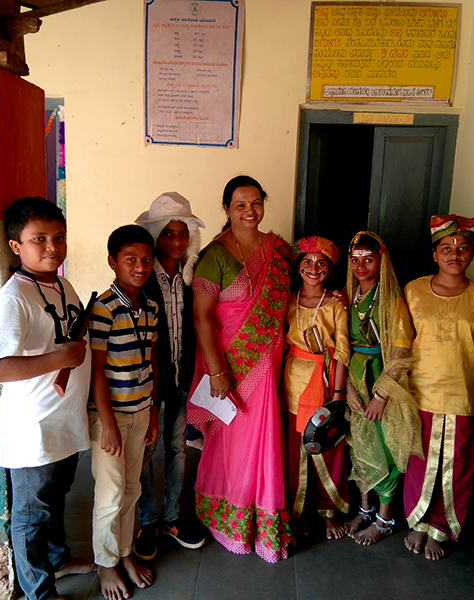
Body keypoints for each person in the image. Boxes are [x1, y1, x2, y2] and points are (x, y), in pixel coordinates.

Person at [0, 197, 96, 600]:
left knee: (56, 498)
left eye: (58, 237)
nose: (52, 247)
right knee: (31, 514)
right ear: (16, 246)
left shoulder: (62, 285)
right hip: (32, 425)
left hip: (64, 419)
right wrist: (59, 359)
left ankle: (58, 561)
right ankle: (38, 592)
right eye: (39, 239)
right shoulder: (14, 298)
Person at [188, 175, 294, 563]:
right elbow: (201, 317)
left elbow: (299, 292)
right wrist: (218, 372)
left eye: (256, 203)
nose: (250, 211)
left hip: (269, 365)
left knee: (265, 438)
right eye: (240, 205)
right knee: (231, 441)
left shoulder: (278, 250)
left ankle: (263, 519)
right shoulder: (214, 255)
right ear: (227, 209)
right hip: (231, 368)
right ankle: (229, 516)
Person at [402, 214, 474, 560]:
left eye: (463, 248)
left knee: (458, 466)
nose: (454, 254)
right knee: (419, 461)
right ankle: (418, 522)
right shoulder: (413, 291)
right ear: (434, 254)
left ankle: (441, 528)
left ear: (472, 254)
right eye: (446, 248)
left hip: (464, 397)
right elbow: (401, 344)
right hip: (421, 395)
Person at [88, 225, 160, 600]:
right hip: (110, 417)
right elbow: (96, 371)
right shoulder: (104, 309)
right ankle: (105, 564)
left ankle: (125, 552)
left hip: (141, 411)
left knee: (132, 488)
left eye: (146, 260)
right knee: (111, 493)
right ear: (112, 262)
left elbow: (150, 362)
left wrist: (154, 412)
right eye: (130, 259)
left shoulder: (150, 308)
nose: (140, 267)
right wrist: (108, 424)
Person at [132, 192, 206, 559]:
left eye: (183, 232)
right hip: (147, 379)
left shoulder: (194, 275)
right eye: (168, 233)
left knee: (177, 448)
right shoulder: (142, 275)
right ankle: (148, 520)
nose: (176, 241)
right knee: (145, 449)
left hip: (182, 375)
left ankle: (172, 518)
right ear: (155, 235)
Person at [341, 232, 422, 545]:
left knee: (385, 446)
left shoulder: (391, 301)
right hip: (354, 376)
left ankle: (385, 519)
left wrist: (381, 395)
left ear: (381, 260)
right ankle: (365, 509)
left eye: (368, 259)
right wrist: (347, 386)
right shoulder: (349, 296)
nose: (361, 266)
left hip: (381, 379)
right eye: (355, 260)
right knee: (359, 445)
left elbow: (401, 352)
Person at [282, 236, 351, 540]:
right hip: (292, 381)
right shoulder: (287, 300)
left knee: (327, 444)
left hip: (325, 380)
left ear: (330, 269)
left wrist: (338, 394)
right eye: (307, 262)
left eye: (321, 263)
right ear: (298, 267)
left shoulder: (336, 305)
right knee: (295, 449)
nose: (314, 268)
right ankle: (297, 510)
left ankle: (328, 511)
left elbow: (343, 351)